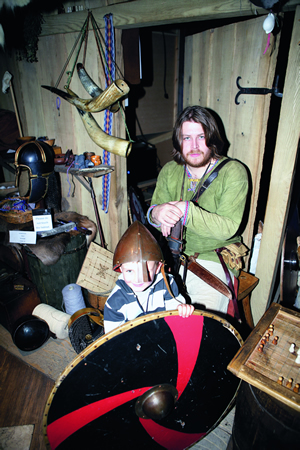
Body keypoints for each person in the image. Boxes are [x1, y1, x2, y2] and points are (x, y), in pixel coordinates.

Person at [147, 105, 249, 315]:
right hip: (171, 257)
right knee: (146, 312)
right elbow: (153, 213)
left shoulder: (233, 172)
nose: (194, 146)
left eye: (201, 137)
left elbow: (227, 228)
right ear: (178, 141)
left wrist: (186, 211)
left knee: (200, 325)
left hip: (213, 257)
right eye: (186, 138)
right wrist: (156, 213)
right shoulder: (170, 171)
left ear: (212, 138)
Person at [104, 221, 194, 333]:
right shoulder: (115, 303)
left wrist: (182, 309)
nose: (138, 279)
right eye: (129, 271)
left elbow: (175, 311)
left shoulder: (167, 283)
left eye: (146, 271)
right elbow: (112, 341)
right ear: (120, 269)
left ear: (157, 268)